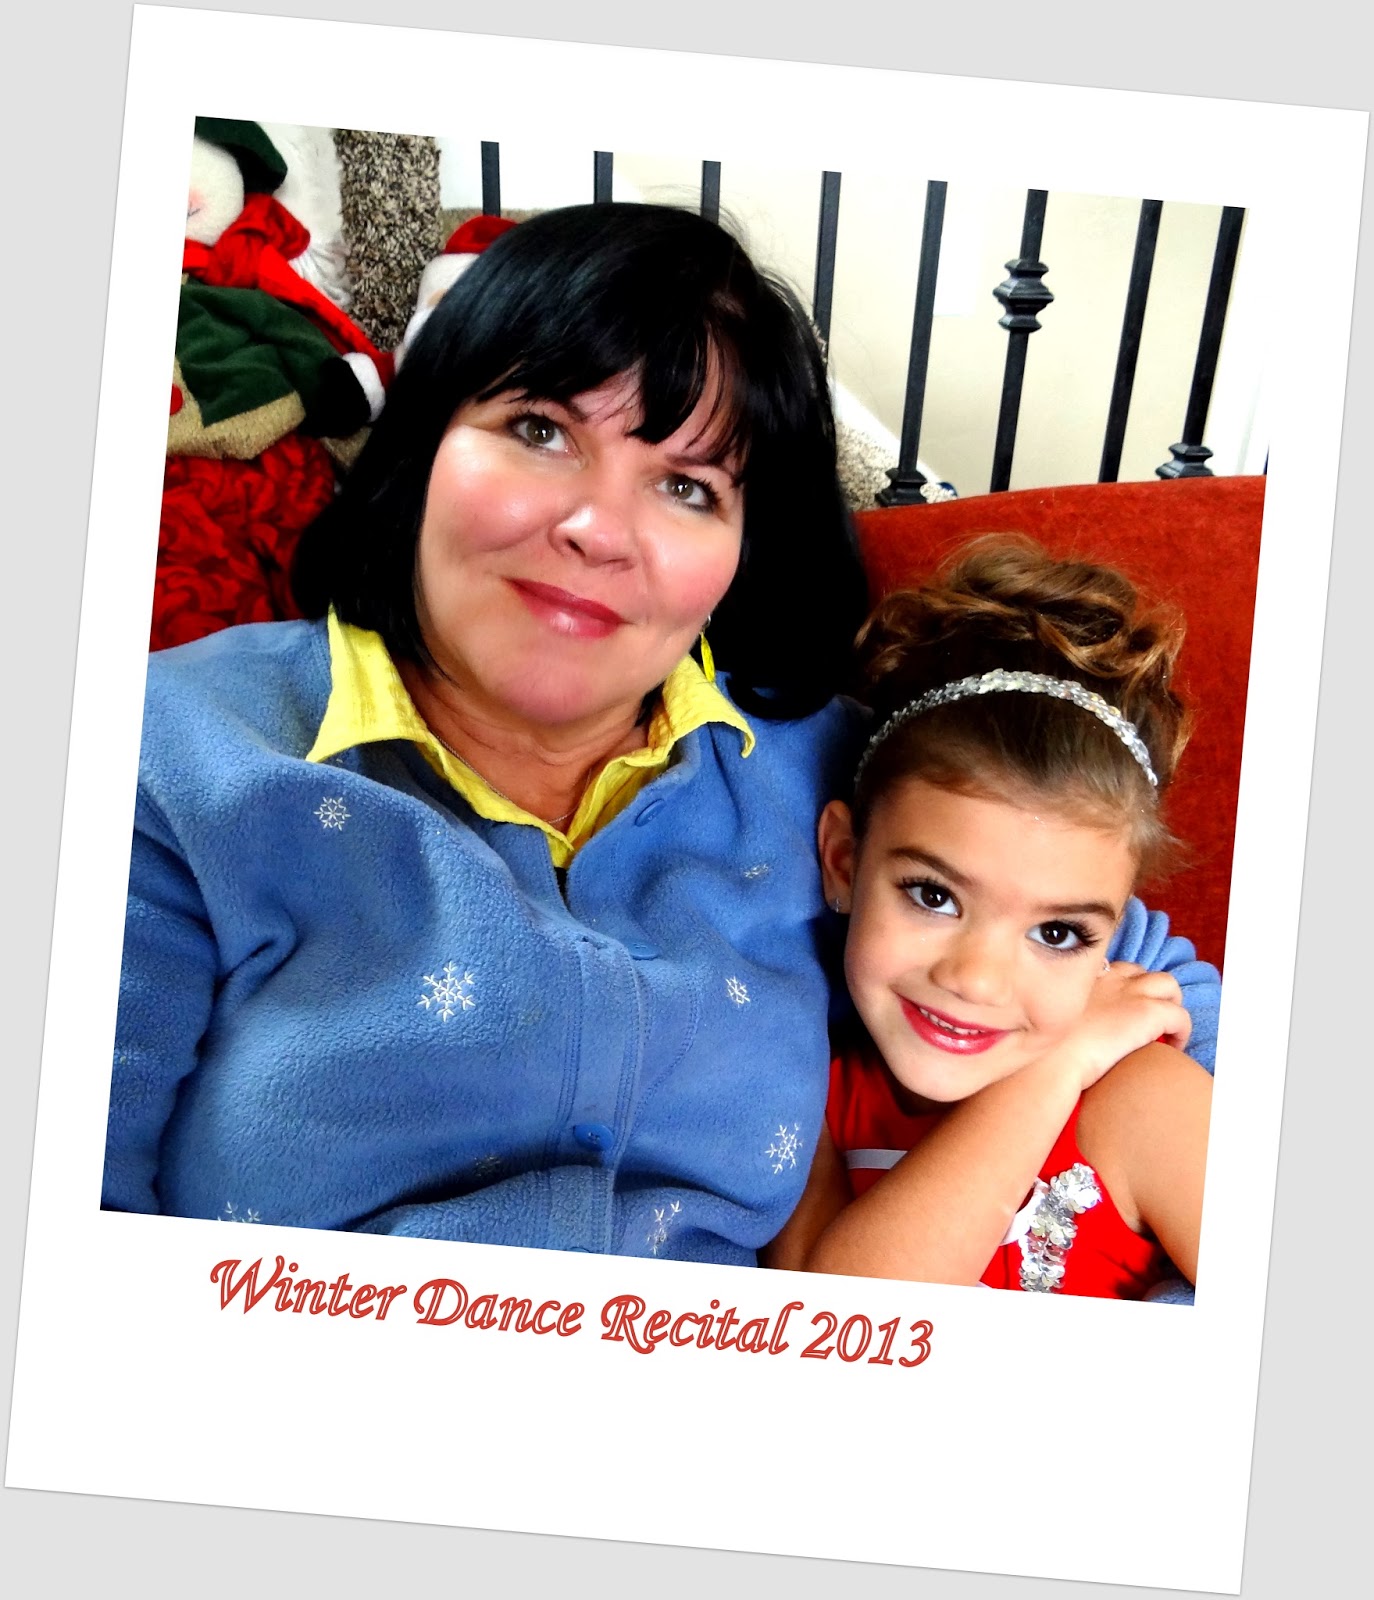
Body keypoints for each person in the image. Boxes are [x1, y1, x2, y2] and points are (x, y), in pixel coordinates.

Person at [103, 202, 1217, 1267]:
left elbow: (1124, 954)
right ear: (425, 440)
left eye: (687, 487)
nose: (598, 530)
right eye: (540, 430)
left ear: (743, 550)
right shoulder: (173, 750)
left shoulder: (818, 763)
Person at [766, 536, 1214, 1294]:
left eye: (1058, 933)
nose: (976, 980)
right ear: (843, 863)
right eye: (932, 895)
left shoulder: (1148, 1102)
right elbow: (839, 1324)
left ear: (1113, 938)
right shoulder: (804, 1098)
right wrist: (1056, 1067)